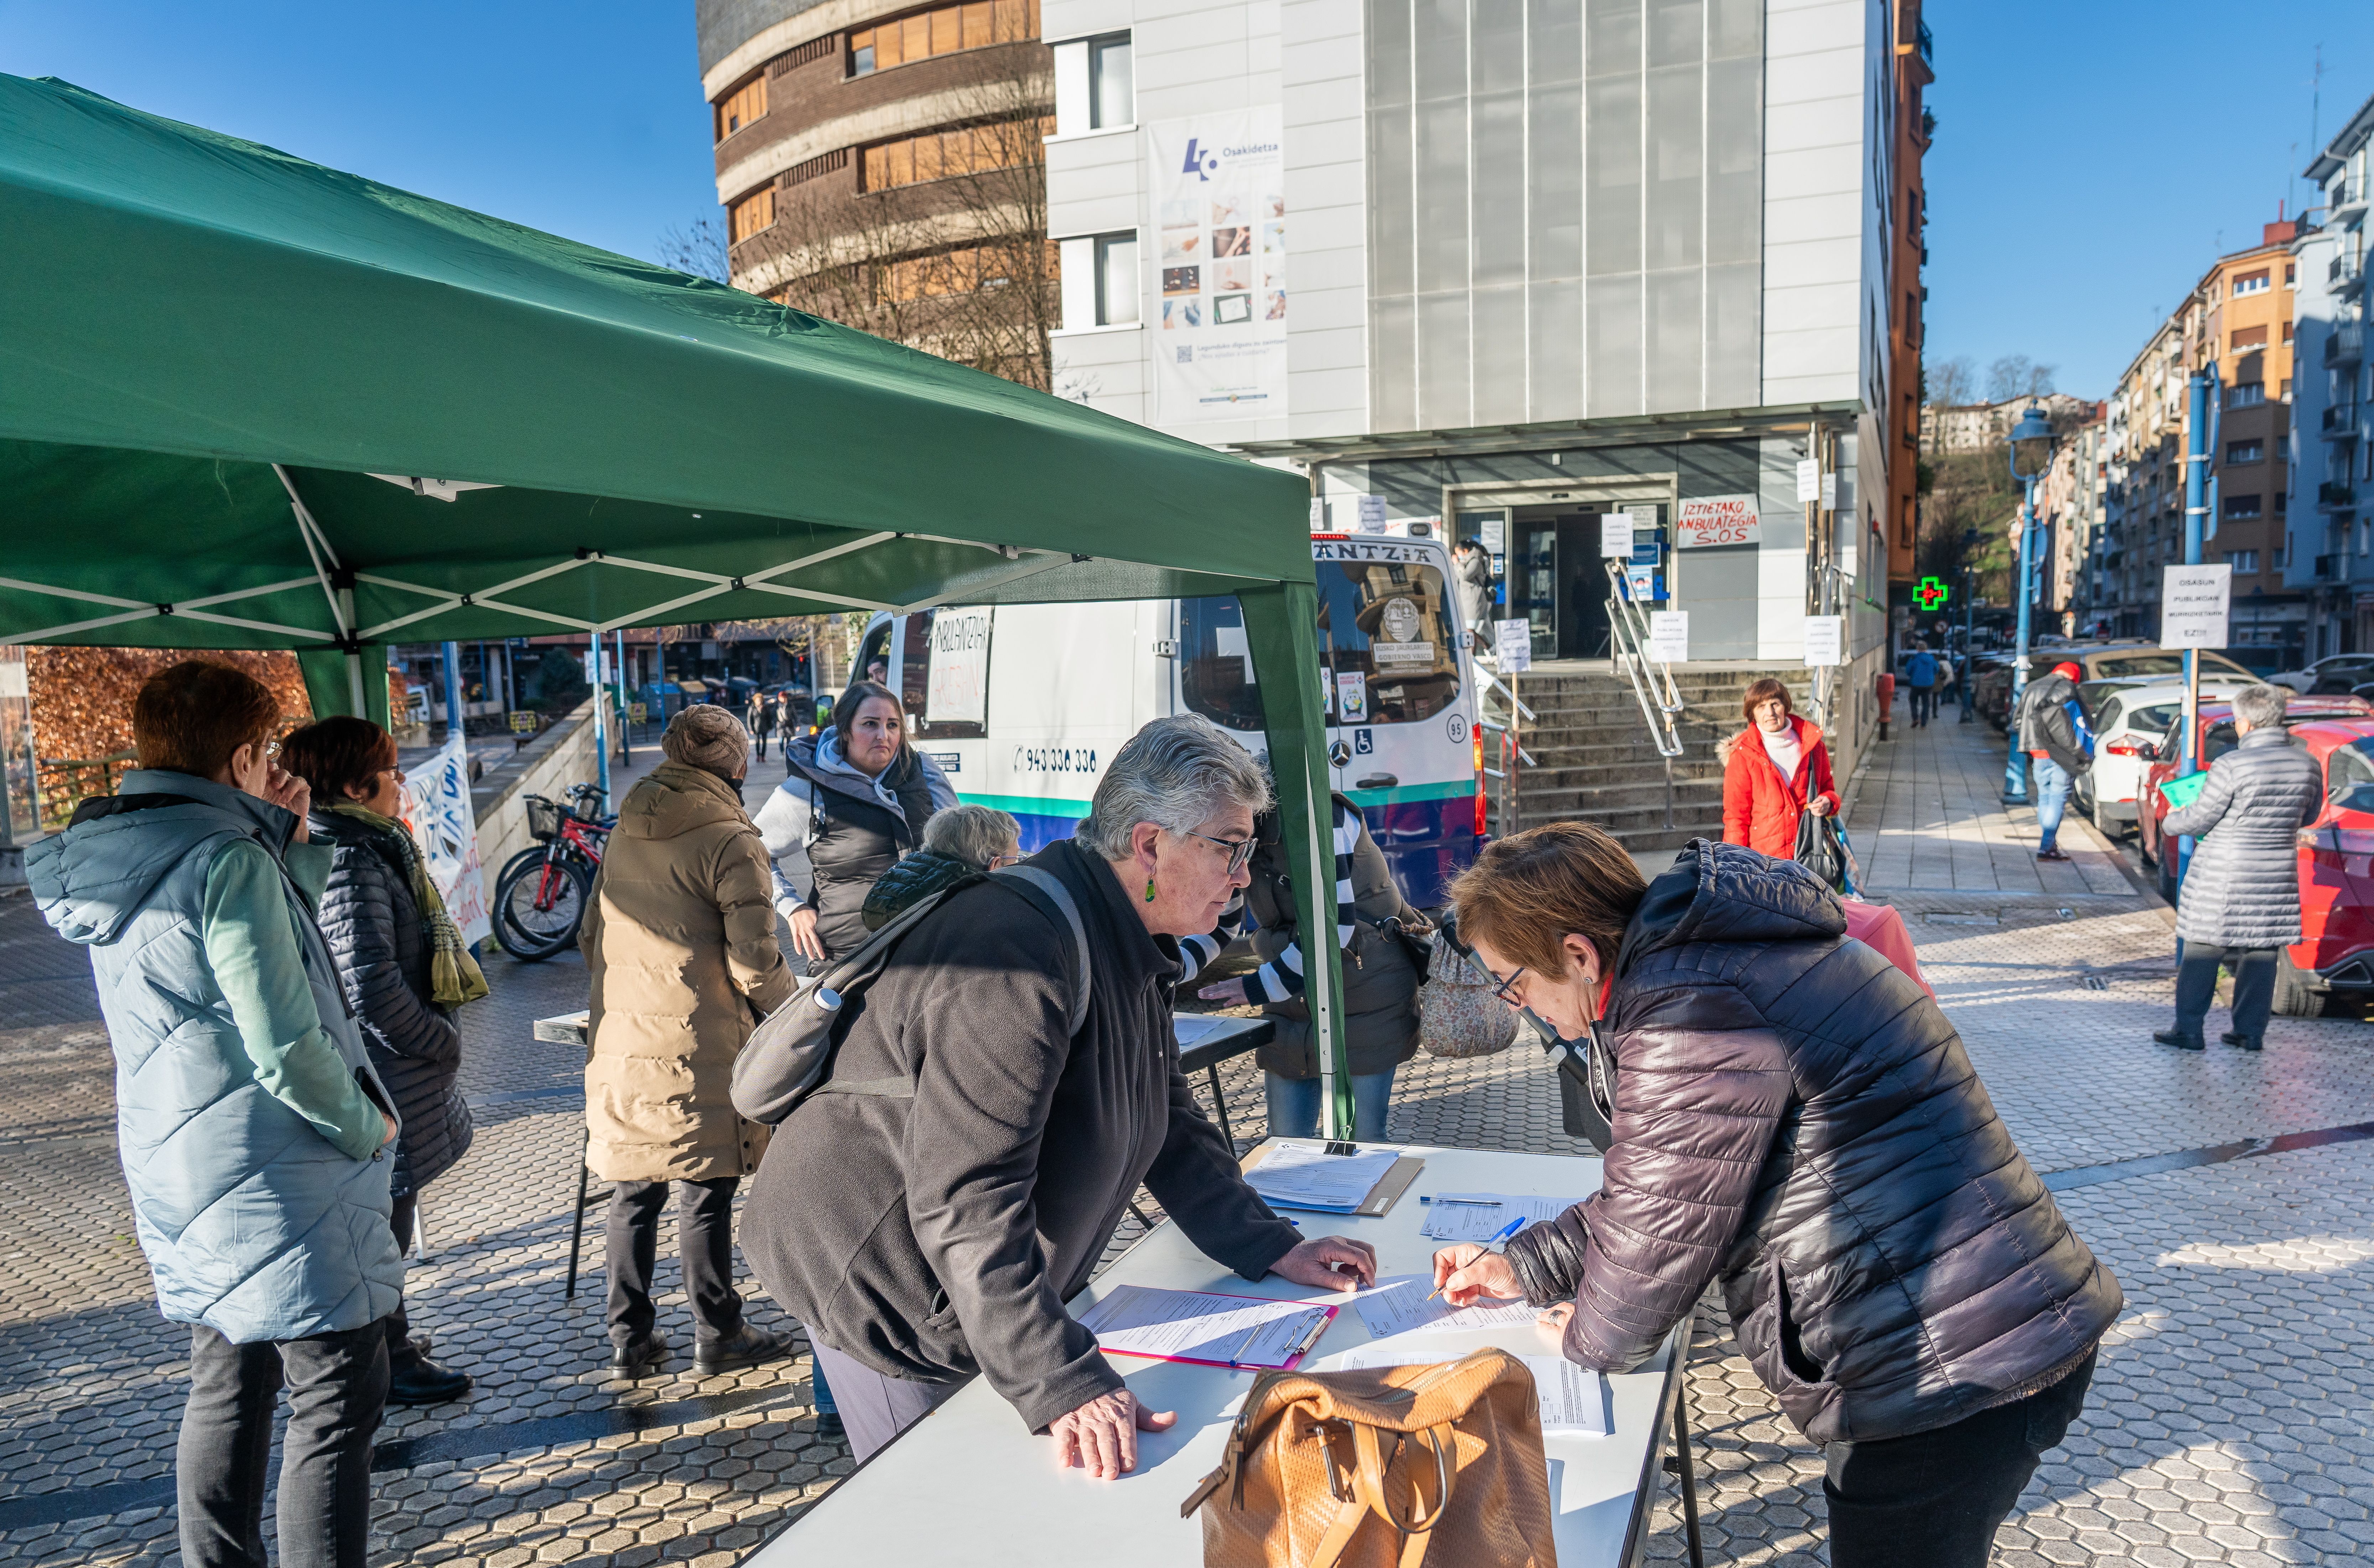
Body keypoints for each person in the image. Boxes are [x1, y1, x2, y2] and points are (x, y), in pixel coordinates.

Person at [1430, 824, 2122, 1568]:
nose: (1518, 1005)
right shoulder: (1709, 963)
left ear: (1575, 953)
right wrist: (1523, 1265)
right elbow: (1664, 1183)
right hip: (1964, 1331)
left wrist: (1590, 1333)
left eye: (1513, 982)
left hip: (1951, 1365)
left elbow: (1659, 1227)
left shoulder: (1686, 1010)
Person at [742, 714, 1381, 1467]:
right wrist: (1058, 1376)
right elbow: (966, 1194)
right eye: (1229, 848)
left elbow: (1165, 1115)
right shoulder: (1019, 949)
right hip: (884, 1291)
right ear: (1148, 844)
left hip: (965, 1285)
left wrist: (1268, 1243)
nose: (1243, 874)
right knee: (939, 1511)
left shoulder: (1119, 928)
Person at [29, 661, 402, 1568]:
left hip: (183, 1164)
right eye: (266, 751)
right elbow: (286, 1037)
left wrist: (293, 835)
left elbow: (266, 953)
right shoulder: (227, 855)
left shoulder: (127, 848)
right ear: (243, 754)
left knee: (228, 1379)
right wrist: (367, 1125)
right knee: (337, 1393)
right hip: (280, 1172)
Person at [581, 704, 798, 1379]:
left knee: (634, 1190)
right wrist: (794, 1016)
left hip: (623, 1034)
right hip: (700, 1041)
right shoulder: (733, 837)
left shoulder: (626, 827)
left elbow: (592, 934)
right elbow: (755, 960)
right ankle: (719, 1329)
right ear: (737, 765)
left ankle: (629, 1338)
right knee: (707, 1188)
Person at [281, 716, 485, 1407]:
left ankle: (391, 1341)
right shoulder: (350, 855)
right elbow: (367, 980)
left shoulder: (367, 843)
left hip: (392, 1069)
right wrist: (438, 1037)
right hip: (384, 1072)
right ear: (352, 783)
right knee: (383, 1222)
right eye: (392, 770)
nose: (402, 782)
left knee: (391, 1214)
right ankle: (387, 1357)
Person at [1186, 796, 1423, 1143]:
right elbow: (1222, 923)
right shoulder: (1232, 835)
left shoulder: (1327, 817)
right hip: (1292, 998)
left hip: (1364, 993)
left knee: (1360, 1140)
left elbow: (1336, 928)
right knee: (1284, 1142)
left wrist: (1259, 986)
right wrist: (1170, 968)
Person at [2155, 682, 2322, 1052]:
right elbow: (2308, 815)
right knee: (2261, 952)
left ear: (2245, 723)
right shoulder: (2307, 762)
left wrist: (2171, 819)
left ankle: (2188, 1030)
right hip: (2275, 872)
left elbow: (2200, 818)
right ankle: (2249, 1033)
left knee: (2203, 948)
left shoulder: (2231, 764)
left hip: (2224, 872)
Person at [754, 679, 956, 965]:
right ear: (845, 731)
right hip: (848, 959)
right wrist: (792, 907)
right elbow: (751, 853)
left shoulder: (924, 772)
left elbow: (960, 848)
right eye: (870, 724)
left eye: (892, 725)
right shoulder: (808, 790)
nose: (883, 735)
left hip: (929, 949)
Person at [1720, 678, 1838, 858]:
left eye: (1775, 704)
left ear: (1786, 706)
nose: (1770, 713)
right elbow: (1736, 817)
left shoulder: (1813, 745)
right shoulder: (1743, 754)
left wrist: (1828, 802)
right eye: (1761, 707)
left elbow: (1828, 790)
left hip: (1809, 853)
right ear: (1752, 713)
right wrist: (1733, 862)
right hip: (1764, 860)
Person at [860, 802, 1024, 930]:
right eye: (1016, 858)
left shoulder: (899, 890)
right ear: (994, 866)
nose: (1019, 864)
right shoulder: (972, 914)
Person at [2017, 660, 2091, 862]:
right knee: (2058, 797)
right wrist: (2080, 752)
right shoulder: (2069, 689)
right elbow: (2078, 723)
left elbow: (2017, 720)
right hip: (2061, 753)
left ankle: (2049, 844)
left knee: (2045, 796)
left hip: (2038, 751)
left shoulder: (2032, 687)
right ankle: (2046, 846)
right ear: (2074, 676)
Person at [1452, 537, 1493, 650]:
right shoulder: (1468, 561)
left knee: (1469, 630)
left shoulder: (1476, 561)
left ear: (1465, 551)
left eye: (1458, 553)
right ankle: (1488, 647)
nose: (1458, 556)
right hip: (1467, 599)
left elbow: (1465, 576)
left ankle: (1477, 653)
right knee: (1470, 629)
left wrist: (1457, 564)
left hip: (1473, 600)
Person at [1903, 641, 1939, 728]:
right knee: (1926, 703)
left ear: (1918, 649)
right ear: (1926, 649)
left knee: (1913, 701)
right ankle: (1924, 723)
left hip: (1916, 684)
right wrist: (1930, 675)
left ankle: (1915, 718)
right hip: (1928, 684)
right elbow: (1937, 669)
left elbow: (1908, 671)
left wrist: (1914, 674)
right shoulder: (1932, 658)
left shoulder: (1914, 658)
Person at [751, 686, 779, 760]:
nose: (759, 702)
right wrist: (751, 728)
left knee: (764, 742)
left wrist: (770, 727)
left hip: (765, 727)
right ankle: (758, 755)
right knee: (757, 742)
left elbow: (769, 718)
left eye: (760, 700)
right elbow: (750, 719)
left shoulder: (766, 708)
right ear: (755, 701)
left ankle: (763, 756)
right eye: (758, 700)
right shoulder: (752, 708)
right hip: (756, 727)